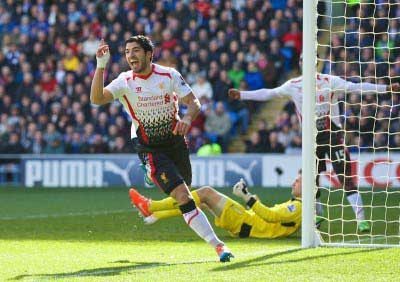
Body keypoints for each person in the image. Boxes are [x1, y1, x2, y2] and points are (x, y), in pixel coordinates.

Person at [90, 35, 233, 262]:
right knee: (183, 196)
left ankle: (152, 201)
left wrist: (187, 118)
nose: (131, 56)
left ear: (149, 54)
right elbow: (97, 98)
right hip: (148, 146)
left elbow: (194, 102)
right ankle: (219, 246)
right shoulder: (125, 81)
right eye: (127, 52)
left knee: (185, 188)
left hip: (175, 141)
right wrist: (100, 66)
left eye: (136, 50)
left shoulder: (168, 75)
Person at [228, 57, 400, 232]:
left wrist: (385, 88)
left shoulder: (329, 81)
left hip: (333, 137)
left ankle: (361, 220)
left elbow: (357, 87)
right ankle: (317, 215)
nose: (306, 63)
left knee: (346, 178)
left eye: (309, 60)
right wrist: (242, 94)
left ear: (315, 63)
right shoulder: (293, 85)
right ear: (301, 64)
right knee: (311, 180)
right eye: (302, 60)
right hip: (312, 140)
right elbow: (269, 93)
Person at [129, 172, 302, 239]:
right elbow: (274, 221)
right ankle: (156, 214)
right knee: (201, 201)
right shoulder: (298, 207)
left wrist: (246, 196)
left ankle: (151, 206)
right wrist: (253, 201)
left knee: (205, 192)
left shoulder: (299, 207)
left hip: (244, 221)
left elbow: (270, 217)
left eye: (299, 180)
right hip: (245, 223)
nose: (294, 181)